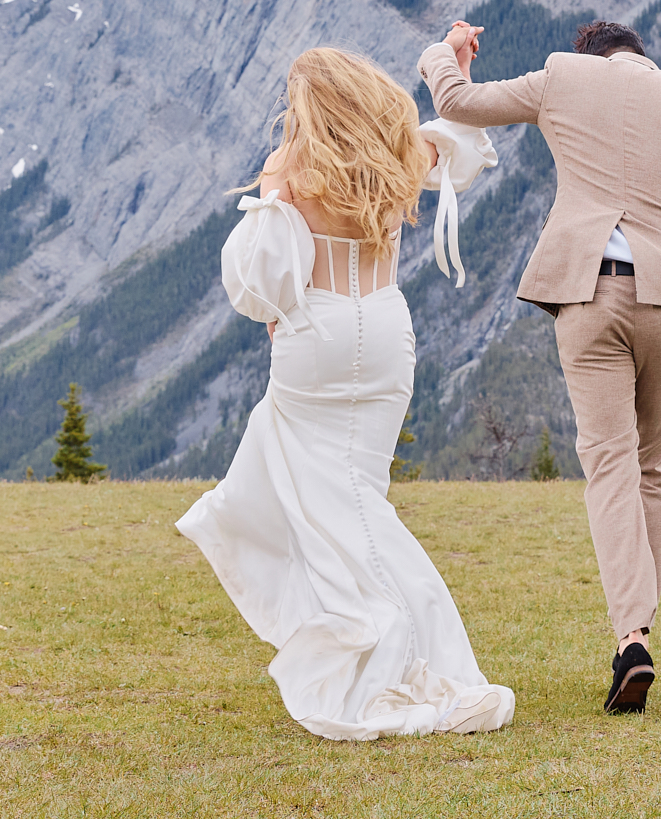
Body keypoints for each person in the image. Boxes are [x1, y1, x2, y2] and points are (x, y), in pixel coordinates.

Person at [176, 46, 514, 741]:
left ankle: (397, 650)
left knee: (336, 504)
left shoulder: (291, 170)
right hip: (387, 330)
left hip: (317, 334)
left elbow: (261, 285)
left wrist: (273, 201)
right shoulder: (401, 152)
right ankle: (387, 641)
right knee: (359, 495)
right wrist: (450, 61)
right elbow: (462, 148)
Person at [418, 17, 661, 716]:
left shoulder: (561, 77)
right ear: (641, 55)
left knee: (608, 461)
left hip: (589, 289)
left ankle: (631, 637)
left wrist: (443, 53)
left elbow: (457, 106)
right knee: (653, 466)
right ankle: (636, 634)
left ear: (586, 54)